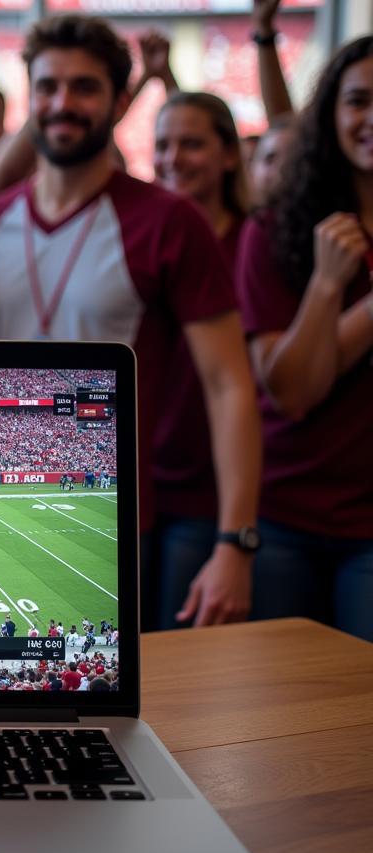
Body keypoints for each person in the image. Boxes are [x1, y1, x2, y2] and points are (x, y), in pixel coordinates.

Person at [0, 15, 261, 628]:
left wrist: (235, 543)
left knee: (128, 712)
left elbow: (229, 384)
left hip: (118, 518)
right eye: (47, 86)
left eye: (85, 87)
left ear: (120, 101)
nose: (62, 104)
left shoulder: (170, 221)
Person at [235, 35, 373, 641]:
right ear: (331, 117)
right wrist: (326, 284)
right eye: (359, 100)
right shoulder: (272, 232)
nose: (372, 119)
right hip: (286, 515)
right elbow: (291, 392)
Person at [150, 91, 252, 629]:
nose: (173, 158)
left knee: (185, 639)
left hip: (210, 490)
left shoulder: (254, 240)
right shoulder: (152, 237)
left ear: (230, 154)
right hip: (149, 477)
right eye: (162, 145)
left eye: (191, 143)